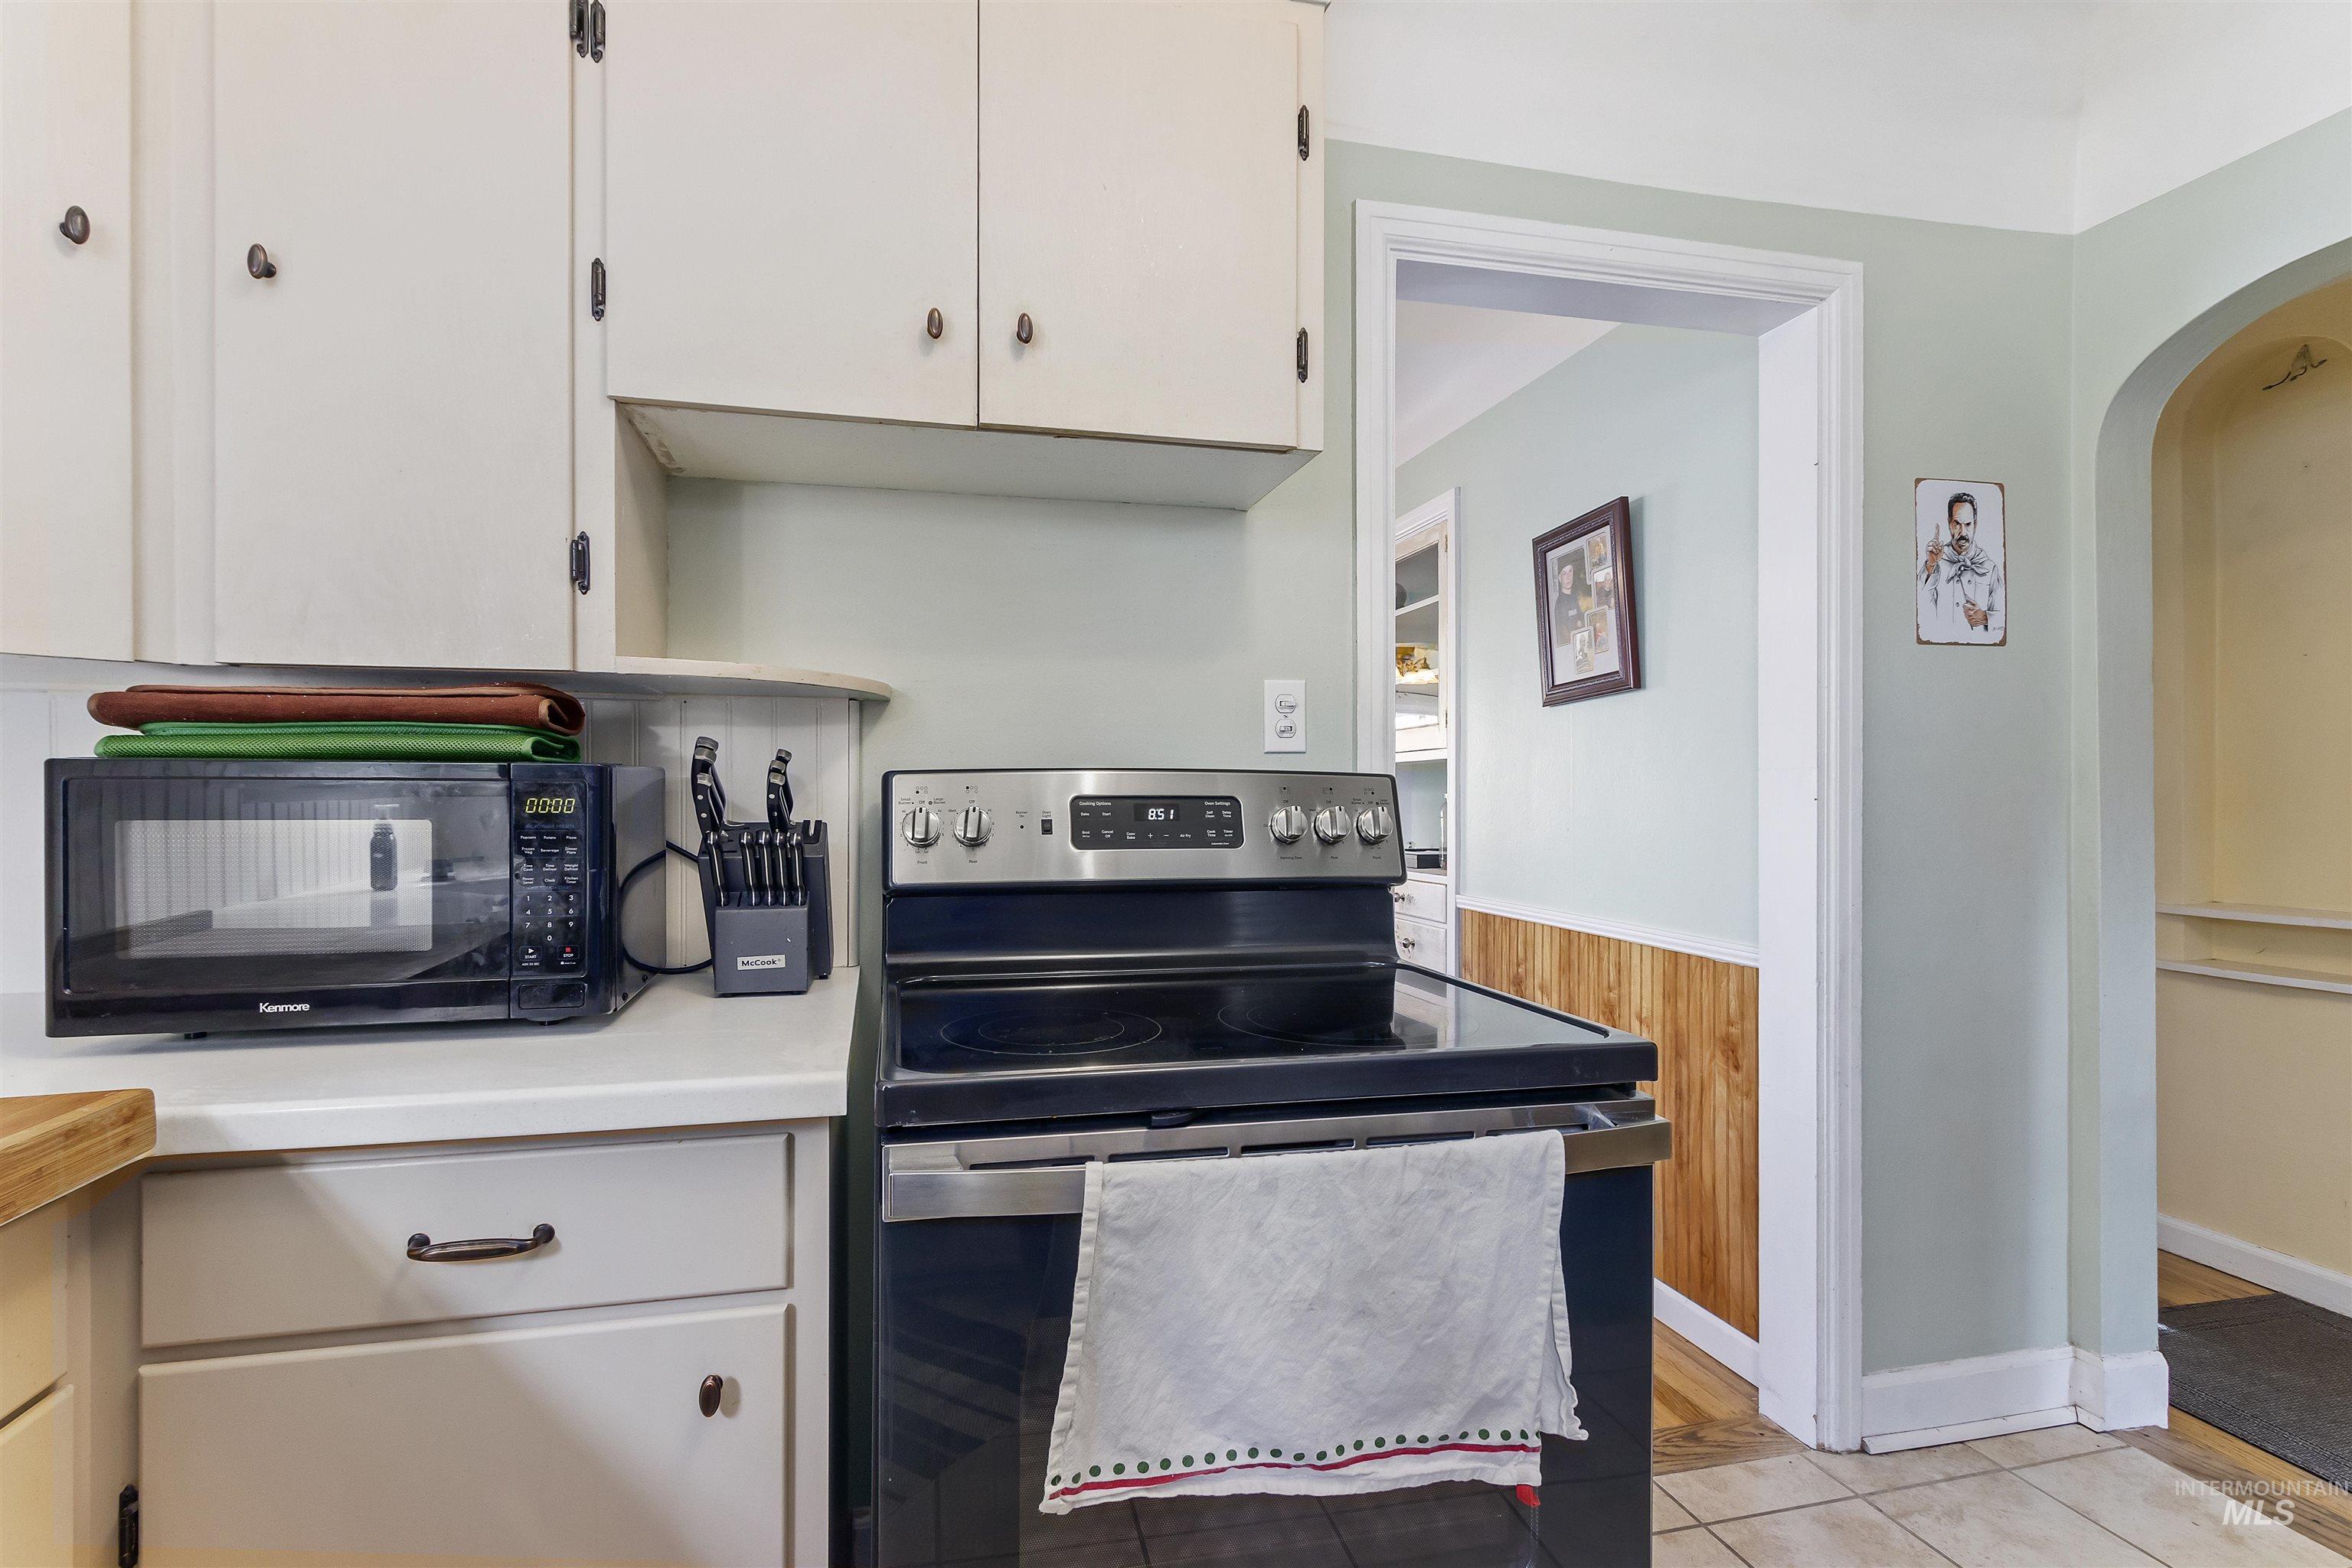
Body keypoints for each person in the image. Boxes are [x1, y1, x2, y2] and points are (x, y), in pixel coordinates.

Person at [1919, 490, 2001, 642]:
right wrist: (1931, 565)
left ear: (1975, 525)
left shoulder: (1990, 568)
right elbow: (1920, 612)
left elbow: (2005, 620)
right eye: (1957, 524)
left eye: (1968, 524)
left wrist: (1985, 617)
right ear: (1949, 524)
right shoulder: (1936, 562)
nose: (1963, 532)